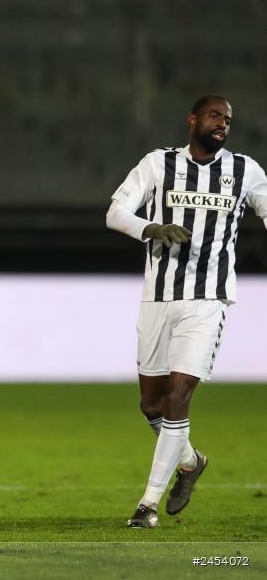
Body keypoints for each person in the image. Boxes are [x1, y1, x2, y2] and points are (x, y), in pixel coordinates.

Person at [106, 95, 267, 528]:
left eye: (228, 120)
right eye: (215, 116)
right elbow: (115, 212)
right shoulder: (158, 164)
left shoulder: (245, 171)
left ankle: (147, 505)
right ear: (193, 119)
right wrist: (151, 227)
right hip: (157, 299)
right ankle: (191, 461)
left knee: (179, 398)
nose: (223, 124)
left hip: (207, 301)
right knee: (151, 405)